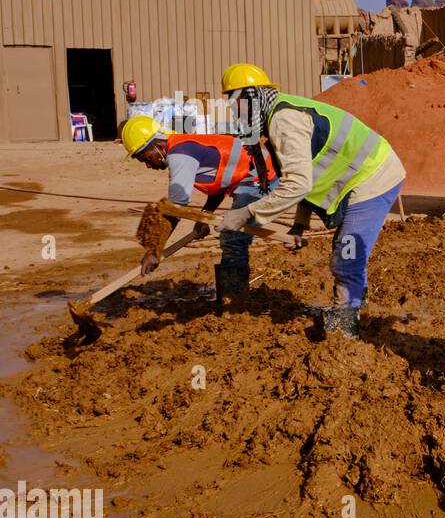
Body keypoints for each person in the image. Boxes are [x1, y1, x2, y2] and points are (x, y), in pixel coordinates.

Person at [214, 63, 405, 337]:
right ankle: (355, 301)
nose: (235, 110)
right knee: (347, 253)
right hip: (362, 176)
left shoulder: (284, 120)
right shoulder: (279, 113)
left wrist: (245, 213)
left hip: (375, 176)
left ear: (253, 98)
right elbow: (310, 175)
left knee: (346, 252)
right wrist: (299, 226)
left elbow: (298, 185)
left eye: (238, 102)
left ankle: (344, 329)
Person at [120, 114, 277, 308]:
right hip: (250, 177)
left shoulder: (180, 155)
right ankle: (232, 298)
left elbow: (176, 208)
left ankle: (233, 304)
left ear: (158, 146)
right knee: (231, 235)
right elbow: (219, 182)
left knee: (232, 238)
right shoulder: (180, 147)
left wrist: (154, 250)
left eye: (146, 158)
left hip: (261, 177)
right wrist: (204, 217)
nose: (148, 165)